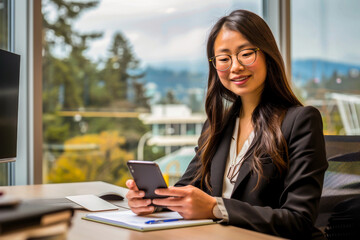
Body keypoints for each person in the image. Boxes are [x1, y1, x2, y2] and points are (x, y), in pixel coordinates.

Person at [126, 9, 328, 240]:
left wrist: (216, 207)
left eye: (246, 54)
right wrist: (150, 201)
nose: (235, 67)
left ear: (267, 54)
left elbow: (299, 220)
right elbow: (186, 191)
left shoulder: (300, 121)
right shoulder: (216, 126)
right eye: (224, 58)